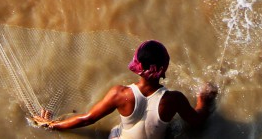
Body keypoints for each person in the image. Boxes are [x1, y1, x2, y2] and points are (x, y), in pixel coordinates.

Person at [32, 40, 218, 138]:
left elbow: (87, 119)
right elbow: (197, 121)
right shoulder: (174, 99)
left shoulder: (120, 94)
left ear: (137, 65)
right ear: (164, 68)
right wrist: (203, 99)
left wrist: (51, 125)